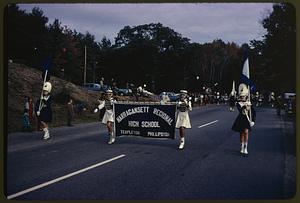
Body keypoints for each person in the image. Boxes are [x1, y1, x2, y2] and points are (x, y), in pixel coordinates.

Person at [232, 83, 256, 155]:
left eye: (243, 96)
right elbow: (240, 109)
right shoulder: (238, 103)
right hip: (241, 119)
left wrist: (253, 121)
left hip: (247, 120)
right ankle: (242, 146)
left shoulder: (249, 102)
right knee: (241, 134)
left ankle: (246, 148)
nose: (242, 97)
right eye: (241, 96)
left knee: (246, 132)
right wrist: (246, 106)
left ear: (246, 96)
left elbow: (253, 112)